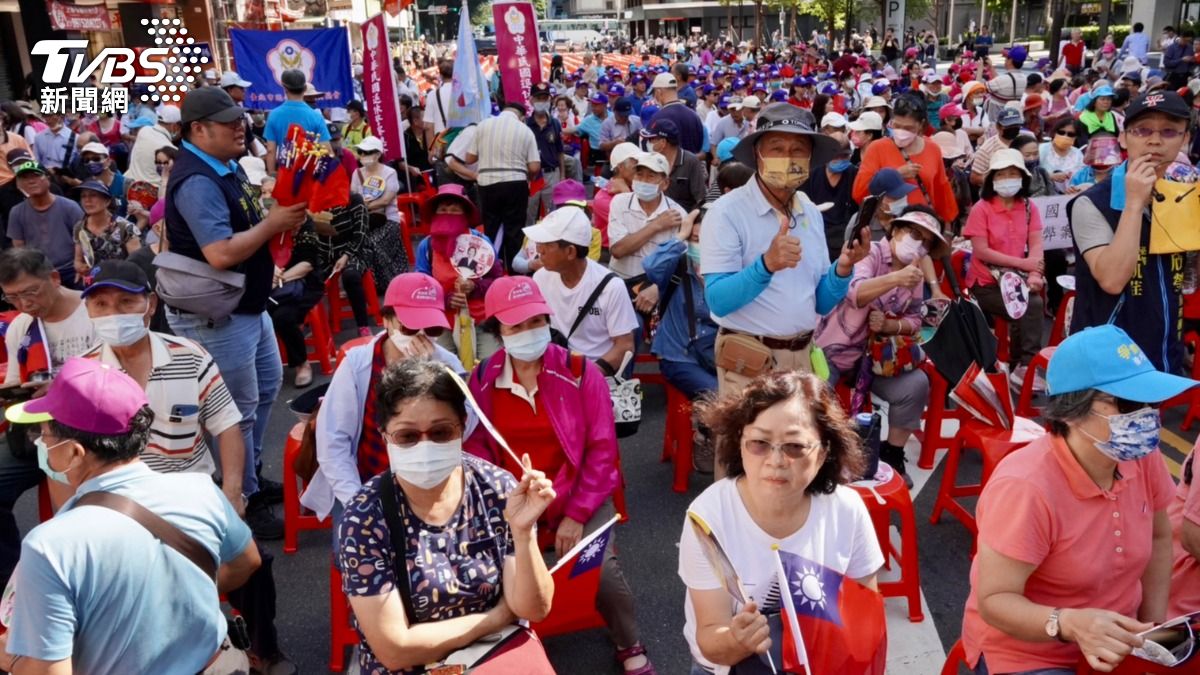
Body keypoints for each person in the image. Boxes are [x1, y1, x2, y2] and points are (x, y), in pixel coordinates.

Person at [0, 357, 260, 673]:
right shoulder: (202, 489)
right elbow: (247, 562)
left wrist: (10, 658)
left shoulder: (50, 546)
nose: (40, 444)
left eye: (42, 435)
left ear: (74, 452)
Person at [961, 324, 1187, 674]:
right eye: (1125, 402)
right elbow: (995, 601)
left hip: (1119, 638)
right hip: (1034, 652)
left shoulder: (1141, 457)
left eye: (1148, 400)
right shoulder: (1026, 487)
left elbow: (1159, 538)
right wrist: (1068, 624)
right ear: (1070, 410)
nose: (1142, 415)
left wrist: (1153, 629)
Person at [467, 277, 656, 675]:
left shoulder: (579, 371)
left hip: (578, 497)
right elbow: (478, 447)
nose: (527, 333)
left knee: (600, 571)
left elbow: (603, 451)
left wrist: (577, 512)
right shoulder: (482, 378)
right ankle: (505, 642)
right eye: (515, 326)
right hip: (514, 502)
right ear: (498, 330)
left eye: (535, 321)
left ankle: (628, 640)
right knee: (487, 572)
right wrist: (509, 502)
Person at [335, 357, 555, 674]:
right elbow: (395, 651)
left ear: (462, 428)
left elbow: (535, 608)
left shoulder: (496, 489)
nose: (425, 446)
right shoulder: (365, 518)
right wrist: (495, 618)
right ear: (385, 436)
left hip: (494, 653)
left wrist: (523, 534)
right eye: (408, 437)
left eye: (440, 432)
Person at [164, 86, 308, 540]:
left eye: (240, 118)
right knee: (234, 413)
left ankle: (248, 475)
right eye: (228, 122)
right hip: (218, 313)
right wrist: (272, 224)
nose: (240, 127)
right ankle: (238, 494)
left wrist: (269, 211)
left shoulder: (222, 166)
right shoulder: (197, 180)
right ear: (197, 129)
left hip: (245, 304)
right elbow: (220, 253)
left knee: (264, 390)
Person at [679, 371, 883, 674]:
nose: (775, 460)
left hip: (821, 659)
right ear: (740, 442)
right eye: (759, 443)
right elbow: (710, 635)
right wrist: (737, 640)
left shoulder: (847, 510)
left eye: (795, 447)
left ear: (824, 452)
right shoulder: (709, 516)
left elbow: (863, 615)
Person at [701, 102, 870, 410]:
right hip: (750, 359)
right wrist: (766, 265)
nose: (788, 158)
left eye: (798, 149)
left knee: (798, 453)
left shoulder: (807, 208)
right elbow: (718, 300)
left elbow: (819, 301)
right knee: (749, 453)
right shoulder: (727, 212)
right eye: (777, 147)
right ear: (758, 154)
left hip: (804, 355)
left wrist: (843, 268)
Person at [302, 273, 467, 524]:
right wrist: (358, 503)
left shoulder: (447, 363)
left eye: (431, 328)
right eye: (410, 327)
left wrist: (431, 375)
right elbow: (333, 442)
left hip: (432, 483)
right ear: (387, 320)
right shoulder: (357, 365)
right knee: (354, 549)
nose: (421, 336)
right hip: (368, 481)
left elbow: (466, 428)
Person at [816, 208, 947, 485]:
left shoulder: (914, 273)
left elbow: (915, 317)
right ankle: (824, 461)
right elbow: (855, 292)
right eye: (914, 234)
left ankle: (892, 452)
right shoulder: (871, 253)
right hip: (835, 350)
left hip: (880, 358)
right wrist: (895, 279)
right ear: (896, 230)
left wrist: (892, 327)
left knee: (916, 384)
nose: (918, 245)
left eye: (925, 243)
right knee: (816, 393)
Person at [1069, 91, 1193, 373]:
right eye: (1142, 130)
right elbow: (1111, 280)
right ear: (1124, 138)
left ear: (1185, 139)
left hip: (1163, 350)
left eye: (1169, 132)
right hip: (1107, 360)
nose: (1155, 141)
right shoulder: (1091, 203)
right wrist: (1134, 202)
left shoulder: (1184, 196)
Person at [0, 247, 96, 587]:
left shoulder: (94, 311)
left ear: (54, 278)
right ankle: (12, 582)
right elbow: (14, 382)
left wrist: (63, 389)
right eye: (12, 297)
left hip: (96, 430)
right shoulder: (21, 328)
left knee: (85, 511)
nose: (24, 304)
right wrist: (14, 394)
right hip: (40, 431)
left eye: (30, 292)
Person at [964, 148, 1046, 384]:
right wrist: (1024, 263)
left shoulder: (1029, 207)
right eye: (1001, 174)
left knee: (1030, 298)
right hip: (987, 283)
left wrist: (1034, 274)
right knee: (1030, 303)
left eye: (1012, 173)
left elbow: (1036, 244)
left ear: (1022, 177)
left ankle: (1021, 364)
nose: (1007, 179)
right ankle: (1026, 363)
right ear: (992, 179)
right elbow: (981, 251)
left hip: (1019, 278)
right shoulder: (982, 208)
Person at [526, 206, 638, 374]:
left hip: (594, 371)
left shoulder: (611, 286)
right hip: (553, 368)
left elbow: (624, 345)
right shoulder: (540, 278)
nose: (539, 249)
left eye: (547, 244)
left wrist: (587, 376)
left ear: (570, 251)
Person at [414, 184, 503, 360]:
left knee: (491, 362)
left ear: (465, 215)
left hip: (481, 318)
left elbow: (498, 280)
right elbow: (419, 288)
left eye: (455, 210)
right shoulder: (427, 246)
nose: (448, 214)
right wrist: (446, 299)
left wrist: (475, 287)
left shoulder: (480, 242)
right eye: (443, 210)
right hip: (442, 321)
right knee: (442, 368)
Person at [852, 93, 959, 226]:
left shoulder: (933, 149)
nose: (901, 132)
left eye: (908, 128)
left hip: (922, 227)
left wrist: (947, 229)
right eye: (897, 126)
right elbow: (859, 193)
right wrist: (896, 174)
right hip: (887, 226)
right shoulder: (877, 148)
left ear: (921, 125)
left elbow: (942, 193)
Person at [463, 100, 541, 269]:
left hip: (487, 183)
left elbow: (469, 158)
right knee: (514, 230)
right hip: (515, 183)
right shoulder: (525, 130)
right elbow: (534, 166)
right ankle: (515, 272)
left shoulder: (482, 126)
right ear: (520, 117)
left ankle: (492, 269)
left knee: (491, 227)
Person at [608, 151, 689, 297]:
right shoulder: (620, 203)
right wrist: (656, 225)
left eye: (651, 176)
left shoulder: (678, 214)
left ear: (665, 184)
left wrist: (656, 289)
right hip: (619, 286)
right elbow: (618, 250)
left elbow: (680, 264)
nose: (643, 181)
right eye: (639, 174)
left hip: (656, 290)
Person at [6, 158, 84, 288]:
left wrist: (80, 265)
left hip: (71, 270)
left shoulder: (70, 207)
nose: (31, 181)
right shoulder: (16, 212)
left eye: (36, 176)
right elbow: (19, 248)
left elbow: (82, 239)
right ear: (19, 184)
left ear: (48, 178)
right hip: (38, 273)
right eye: (25, 177)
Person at [350, 135, 410, 294]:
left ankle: (391, 283)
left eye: (367, 152)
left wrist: (364, 206)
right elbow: (352, 197)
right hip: (365, 221)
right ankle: (370, 284)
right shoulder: (357, 173)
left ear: (377, 154)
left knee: (373, 243)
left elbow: (386, 201)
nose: (363, 156)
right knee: (356, 244)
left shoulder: (389, 173)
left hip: (388, 220)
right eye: (361, 152)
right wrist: (363, 207)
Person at [267, 220, 324, 388]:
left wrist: (278, 280)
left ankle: (302, 363)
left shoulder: (306, 228)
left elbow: (307, 265)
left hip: (305, 284)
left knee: (283, 316)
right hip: (272, 284)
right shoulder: (268, 226)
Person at [801, 137, 858, 262]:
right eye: (835, 156)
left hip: (844, 236)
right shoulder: (810, 174)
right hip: (816, 232)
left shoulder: (854, 174)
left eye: (843, 157)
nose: (839, 160)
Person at [263, 70, 331, 173]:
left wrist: (272, 175)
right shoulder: (316, 116)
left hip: (285, 175)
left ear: (284, 88)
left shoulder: (273, 115)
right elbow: (326, 150)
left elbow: (271, 150)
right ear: (304, 88)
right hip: (309, 176)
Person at [71, 180, 140, 279]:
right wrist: (80, 267)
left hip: (122, 280)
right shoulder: (79, 227)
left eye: (93, 195)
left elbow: (137, 264)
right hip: (93, 282)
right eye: (83, 196)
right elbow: (78, 260)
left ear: (107, 201)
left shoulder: (126, 227)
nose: (87, 200)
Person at [641, 118, 707, 213]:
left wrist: (691, 221)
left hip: (684, 219)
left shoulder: (690, 162)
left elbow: (701, 199)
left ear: (663, 142)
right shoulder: (650, 161)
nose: (648, 143)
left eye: (651, 139)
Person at [593, 142, 641, 250]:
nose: (640, 170)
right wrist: (625, 192)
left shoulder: (637, 187)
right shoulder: (602, 199)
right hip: (610, 252)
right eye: (636, 166)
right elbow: (635, 224)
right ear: (620, 167)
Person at [123, 106, 179, 191]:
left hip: (128, 185)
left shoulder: (144, 131)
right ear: (174, 126)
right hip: (149, 194)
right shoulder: (171, 150)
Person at [649, 72, 706, 154]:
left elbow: (652, 149)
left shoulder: (658, 118)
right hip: (691, 164)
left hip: (668, 165)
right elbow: (699, 146)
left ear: (658, 92)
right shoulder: (694, 116)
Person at [970, 107, 1025, 187]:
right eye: (1008, 126)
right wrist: (998, 180)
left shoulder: (1025, 140)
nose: (1012, 129)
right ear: (998, 127)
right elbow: (974, 178)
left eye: (1015, 125)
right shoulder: (987, 149)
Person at [77, 141, 126, 217]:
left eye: (96, 159)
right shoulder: (86, 186)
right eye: (87, 160)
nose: (91, 162)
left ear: (108, 161)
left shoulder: (125, 184)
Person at [1040, 118, 1085, 193]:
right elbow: (1031, 174)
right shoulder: (1042, 149)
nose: (1065, 136)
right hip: (1043, 195)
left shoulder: (1078, 154)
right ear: (1055, 132)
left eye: (1071, 134)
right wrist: (1049, 176)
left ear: (1076, 137)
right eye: (1061, 132)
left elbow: (1082, 178)